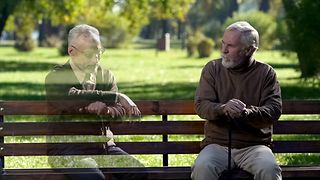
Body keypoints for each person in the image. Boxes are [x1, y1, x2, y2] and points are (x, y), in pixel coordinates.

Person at [45, 24, 144, 180]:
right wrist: (117, 96)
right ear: (72, 51)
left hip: (104, 148)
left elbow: (120, 113)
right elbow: (71, 97)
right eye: (90, 53)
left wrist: (106, 110)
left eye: (99, 52)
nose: (96, 58)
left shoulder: (105, 75)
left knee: (138, 173)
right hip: (65, 150)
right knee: (93, 178)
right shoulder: (56, 76)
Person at [191, 21, 282, 180]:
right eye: (223, 43)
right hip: (217, 146)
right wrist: (223, 108)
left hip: (254, 147)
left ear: (249, 50)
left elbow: (273, 111)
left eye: (230, 46)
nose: (223, 50)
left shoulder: (266, 73)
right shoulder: (212, 69)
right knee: (202, 167)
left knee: (269, 169)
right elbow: (201, 105)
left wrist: (246, 112)